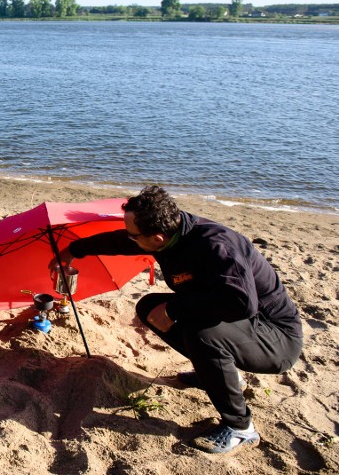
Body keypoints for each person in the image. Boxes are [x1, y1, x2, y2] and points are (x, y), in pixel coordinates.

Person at [49, 185, 303, 454]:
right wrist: (74, 250)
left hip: (276, 338)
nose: (130, 239)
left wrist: (174, 309)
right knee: (149, 307)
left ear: (157, 237)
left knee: (202, 334)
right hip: (239, 326)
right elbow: (120, 241)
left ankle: (241, 428)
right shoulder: (171, 232)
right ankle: (219, 373)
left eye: (135, 236)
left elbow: (241, 303)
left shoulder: (216, 247)